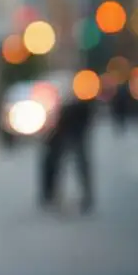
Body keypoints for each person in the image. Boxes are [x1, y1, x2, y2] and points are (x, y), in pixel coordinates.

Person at [40, 80, 96, 213]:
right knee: (73, 165)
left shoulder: (76, 105)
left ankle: (54, 195)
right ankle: (53, 195)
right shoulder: (62, 105)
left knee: (76, 165)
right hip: (66, 138)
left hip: (70, 137)